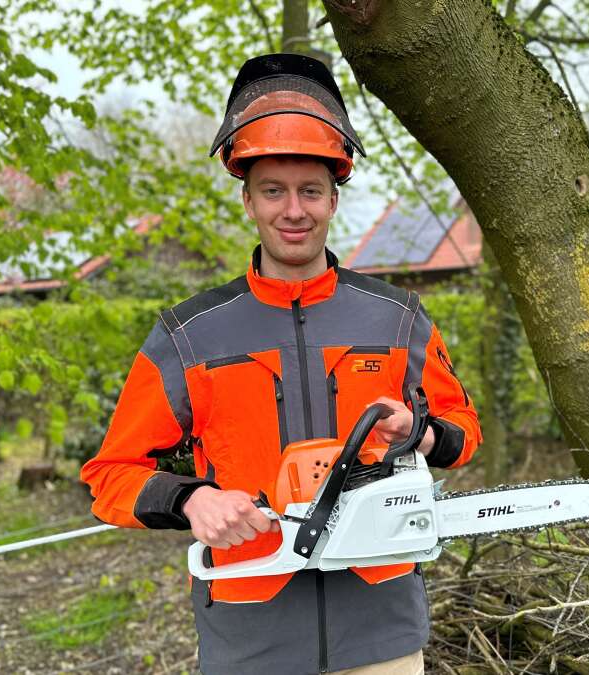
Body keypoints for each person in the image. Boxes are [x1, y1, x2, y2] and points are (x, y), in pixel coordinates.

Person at [80, 53, 481, 675]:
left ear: (334, 199)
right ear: (247, 200)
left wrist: (420, 433)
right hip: (250, 630)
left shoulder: (396, 318)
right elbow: (110, 475)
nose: (293, 210)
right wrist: (192, 501)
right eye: (274, 191)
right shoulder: (190, 333)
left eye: (310, 191)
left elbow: (462, 430)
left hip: (381, 628)